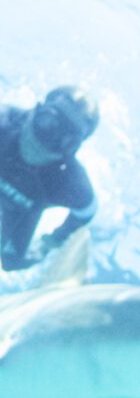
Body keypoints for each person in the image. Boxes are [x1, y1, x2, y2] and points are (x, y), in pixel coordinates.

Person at [0, 86, 100, 274]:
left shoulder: (70, 184)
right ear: (35, 111)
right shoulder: (4, 122)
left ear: (74, 149)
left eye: (66, 139)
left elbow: (87, 212)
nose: (45, 143)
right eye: (47, 123)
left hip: (22, 213)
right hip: (25, 207)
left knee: (11, 262)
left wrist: (53, 241)